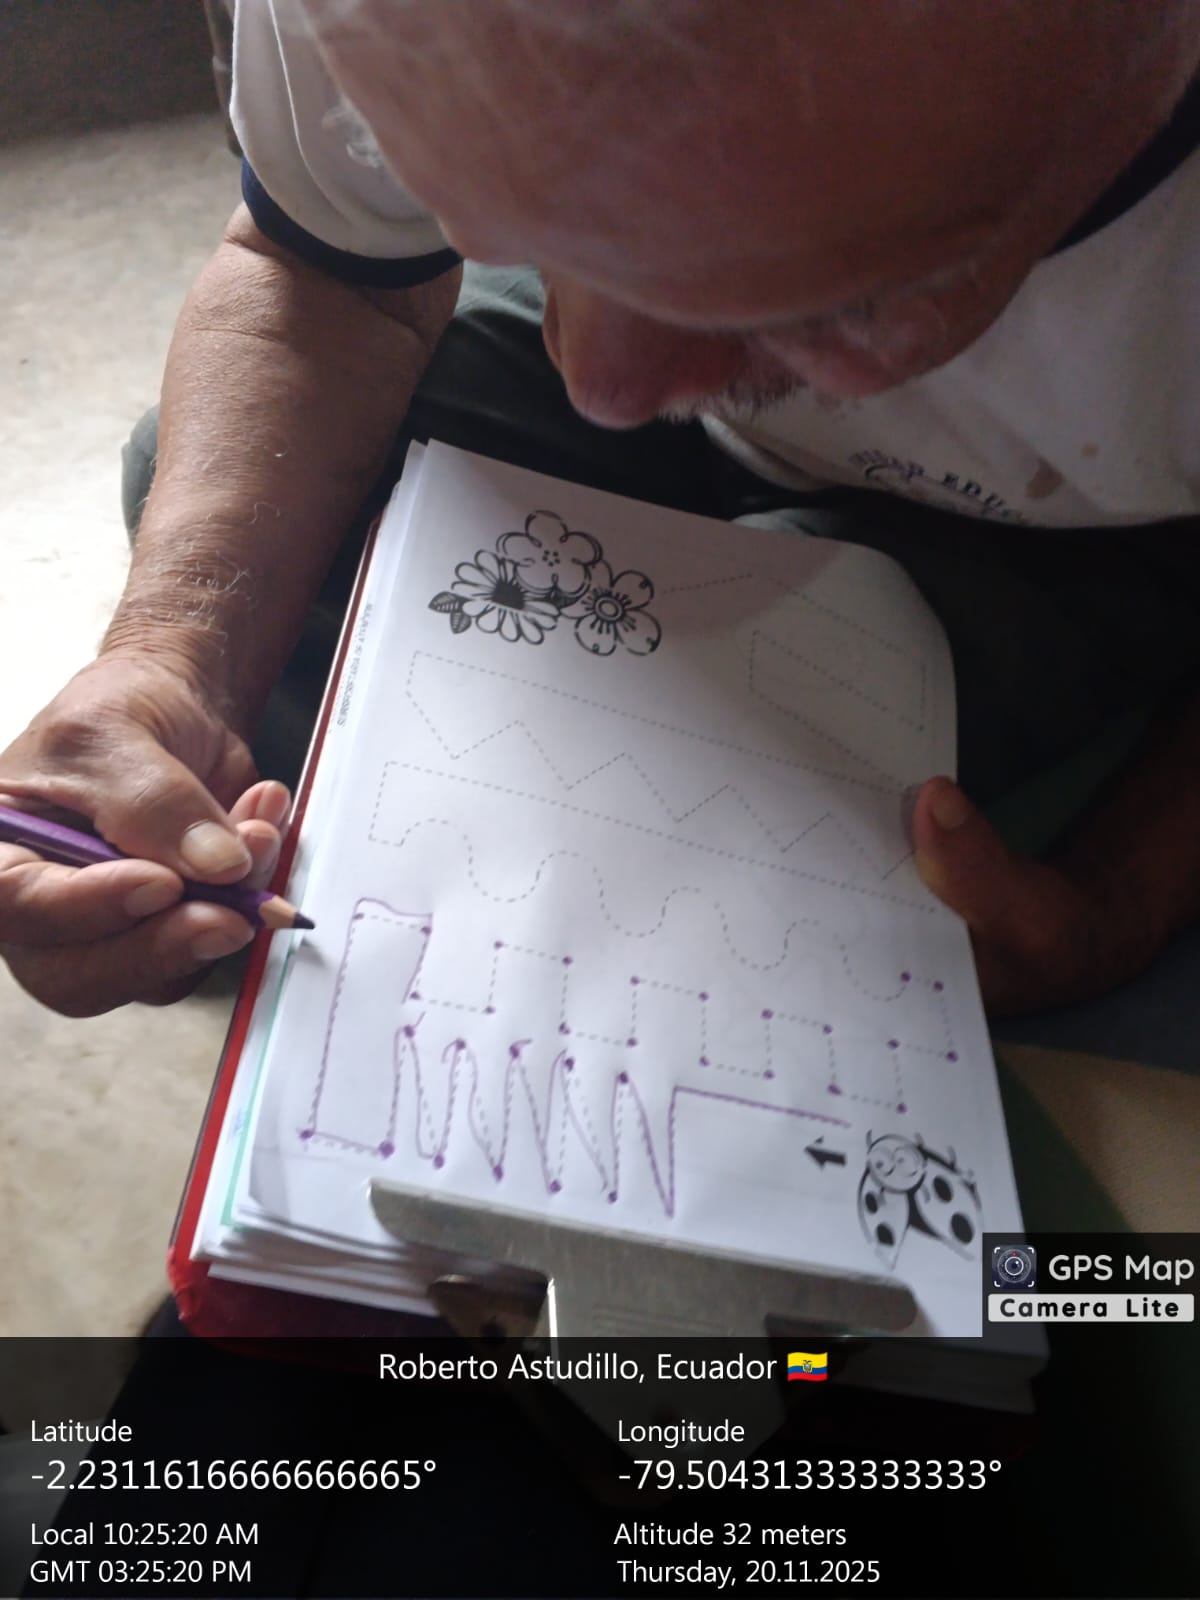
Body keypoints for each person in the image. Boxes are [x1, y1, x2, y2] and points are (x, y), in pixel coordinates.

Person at [3, 0, 1200, 1022]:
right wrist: (174, 651)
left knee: (751, 819)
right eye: (493, 217)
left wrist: (1122, 898)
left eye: (841, 304)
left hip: (1070, 532)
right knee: (241, 538)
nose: (599, 384)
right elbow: (321, 277)